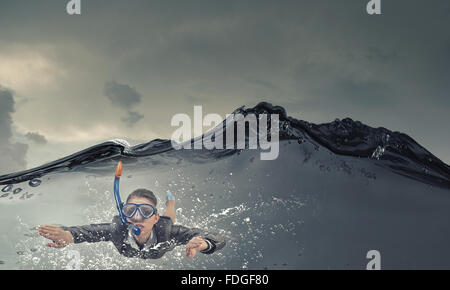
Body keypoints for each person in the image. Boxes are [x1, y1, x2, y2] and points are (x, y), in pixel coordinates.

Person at [37, 189, 225, 259]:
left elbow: (218, 237)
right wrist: (68, 236)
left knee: (169, 219)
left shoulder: (167, 231)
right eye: (130, 211)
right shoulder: (116, 229)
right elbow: (86, 232)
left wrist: (205, 244)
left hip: (161, 235)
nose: (137, 218)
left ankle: (171, 203)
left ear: (154, 217)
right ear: (124, 215)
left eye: (145, 212)